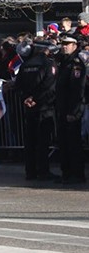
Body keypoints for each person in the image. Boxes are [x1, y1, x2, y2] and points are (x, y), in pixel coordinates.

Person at [14, 40, 59, 181]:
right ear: (46, 50)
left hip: (29, 108)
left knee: (30, 141)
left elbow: (18, 85)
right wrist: (36, 99)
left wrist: (26, 98)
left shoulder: (25, 64)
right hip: (44, 108)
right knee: (43, 141)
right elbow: (50, 86)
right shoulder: (48, 63)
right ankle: (43, 171)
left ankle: (30, 171)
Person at [56, 35, 86, 184]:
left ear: (74, 46)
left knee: (73, 143)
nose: (64, 46)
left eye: (67, 44)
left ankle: (76, 173)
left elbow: (78, 90)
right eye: (63, 44)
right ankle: (66, 173)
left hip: (71, 108)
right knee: (63, 142)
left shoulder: (76, 64)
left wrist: (74, 112)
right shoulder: (63, 62)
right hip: (62, 107)